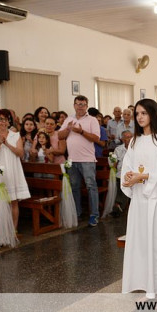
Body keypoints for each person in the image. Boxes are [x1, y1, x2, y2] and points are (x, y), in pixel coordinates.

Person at [121, 98, 157, 301]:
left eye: (144, 113)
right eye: (137, 114)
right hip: (139, 199)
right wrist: (129, 177)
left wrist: (144, 176)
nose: (139, 117)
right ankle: (148, 288)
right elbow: (128, 165)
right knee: (142, 243)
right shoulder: (135, 141)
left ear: (153, 114)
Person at [58, 95, 101, 227]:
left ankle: (94, 214)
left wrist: (81, 131)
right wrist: (68, 129)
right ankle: (77, 212)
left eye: (83, 104)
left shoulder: (92, 120)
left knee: (91, 187)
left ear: (86, 106)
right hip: (72, 160)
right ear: (74, 105)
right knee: (75, 187)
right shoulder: (69, 119)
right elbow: (59, 136)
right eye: (78, 104)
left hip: (87, 160)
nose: (80, 107)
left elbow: (96, 138)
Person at [0, 109, 31, 231]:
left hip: (13, 169)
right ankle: (3, 229)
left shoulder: (15, 135)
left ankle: (13, 229)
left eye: (5, 119)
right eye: (0, 120)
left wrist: (8, 144)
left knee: (13, 201)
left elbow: (20, 153)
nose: (3, 122)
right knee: (1, 200)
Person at [110, 130, 133, 217]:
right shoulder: (118, 149)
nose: (129, 139)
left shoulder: (136, 148)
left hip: (133, 174)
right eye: (126, 137)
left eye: (130, 137)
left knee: (127, 182)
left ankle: (118, 205)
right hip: (120, 173)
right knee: (122, 181)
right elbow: (114, 164)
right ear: (122, 139)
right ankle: (119, 206)